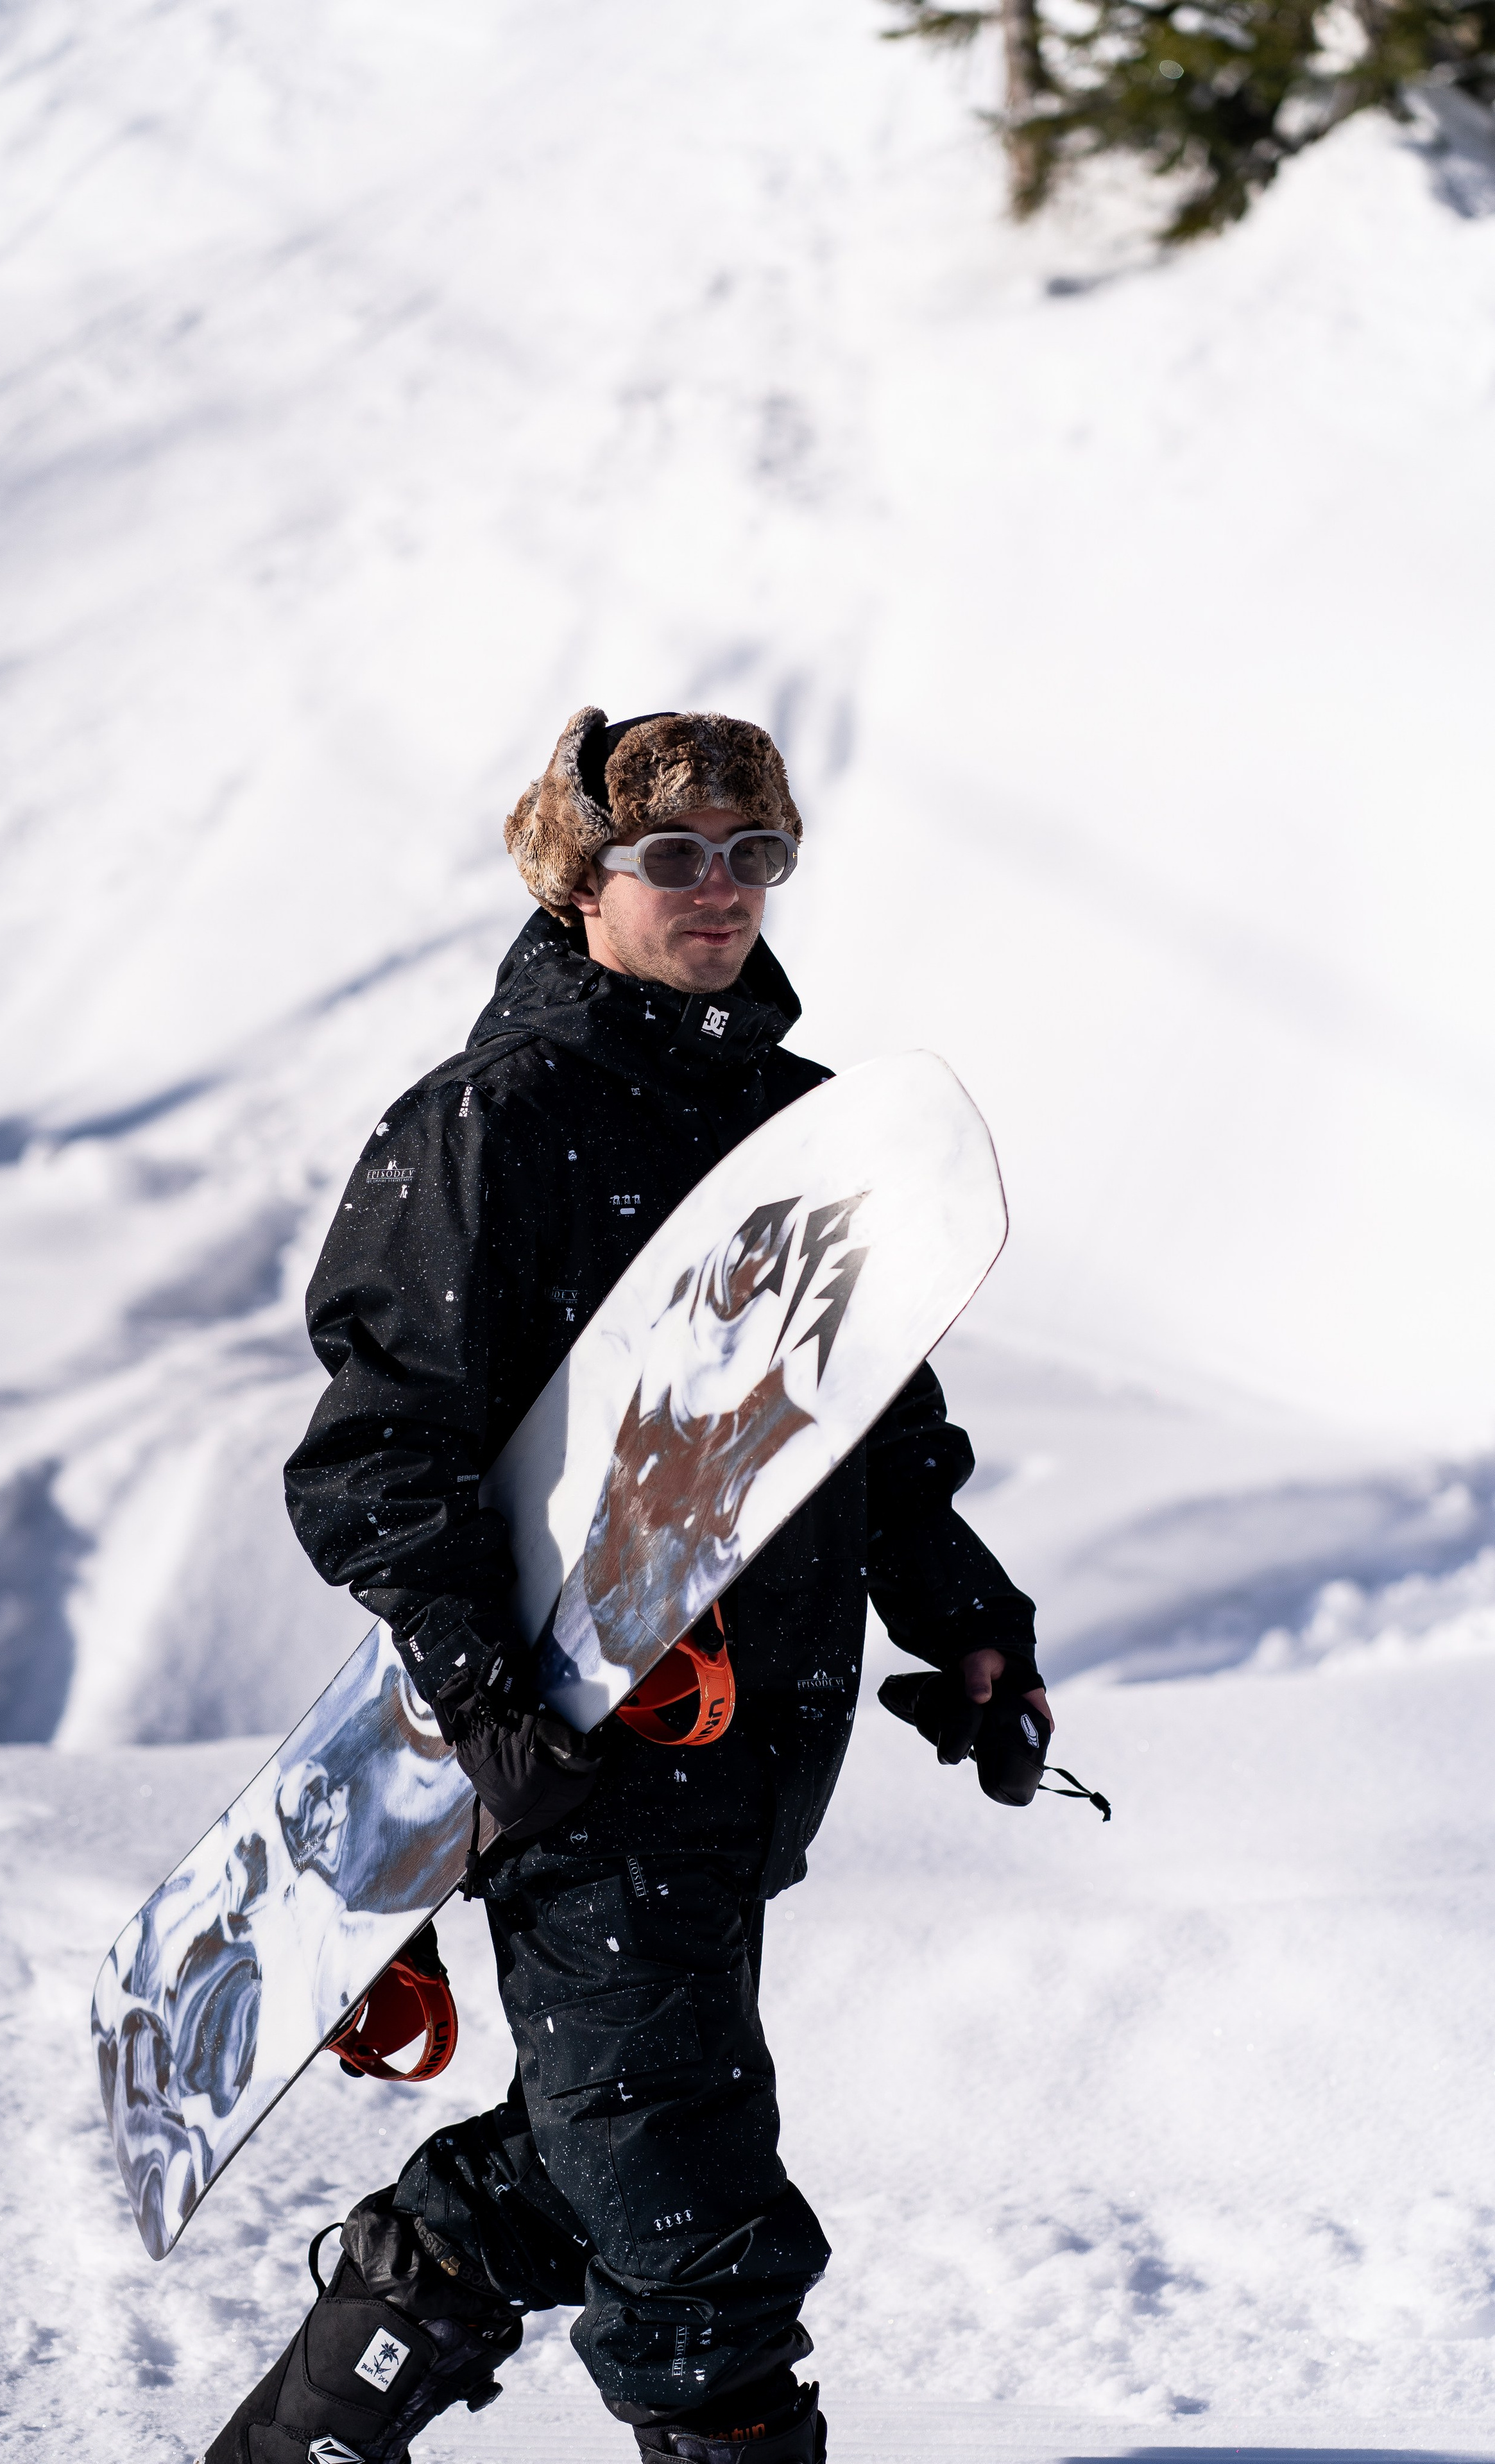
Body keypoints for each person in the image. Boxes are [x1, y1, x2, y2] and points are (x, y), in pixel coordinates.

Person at [205, 707, 1050, 2464]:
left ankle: (360, 2359)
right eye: (679, 858)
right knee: (695, 2234)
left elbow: (873, 1436)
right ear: (578, 878)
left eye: (758, 856)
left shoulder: (800, 1128)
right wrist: (487, 1696)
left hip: (756, 1754)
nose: (724, 891)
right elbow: (379, 1457)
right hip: (577, 1762)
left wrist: (967, 1619)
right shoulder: (489, 1126)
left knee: (608, 2143)